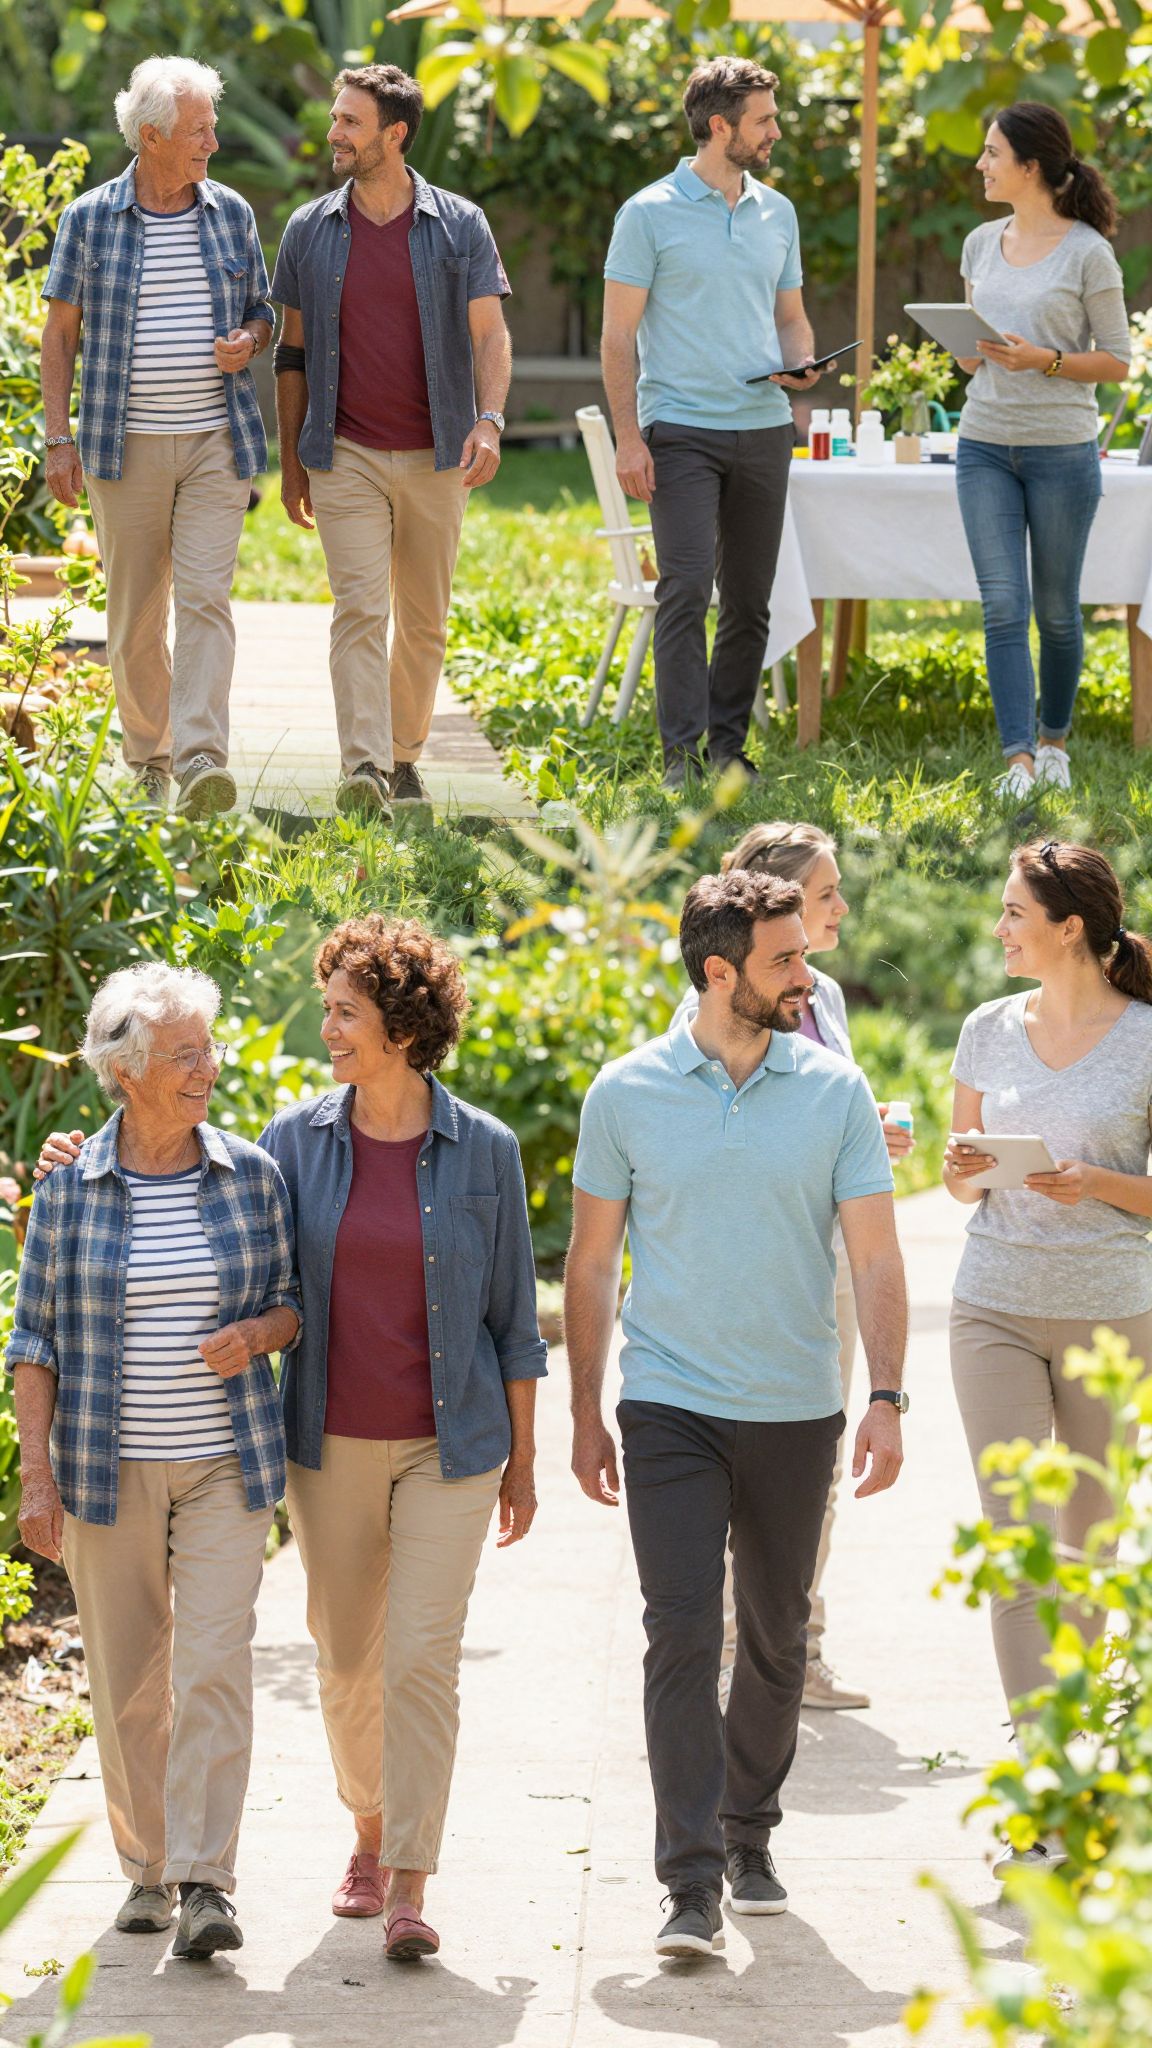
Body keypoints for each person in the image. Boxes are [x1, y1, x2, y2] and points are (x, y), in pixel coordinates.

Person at [37, 917, 547, 1967]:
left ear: (402, 1026)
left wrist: (528, 1461)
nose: (325, 1030)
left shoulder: (431, 1153)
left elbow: (482, 1319)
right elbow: (68, 1309)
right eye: (187, 1056)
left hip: (358, 1452)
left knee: (380, 1659)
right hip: (241, 1450)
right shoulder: (273, 1148)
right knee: (304, 1662)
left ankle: (344, 1876)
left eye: (343, 1013)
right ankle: (264, 1840)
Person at [566, 868, 908, 1958]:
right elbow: (590, 1259)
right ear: (720, 973)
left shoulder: (833, 1092)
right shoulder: (626, 1091)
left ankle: (749, 1825)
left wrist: (888, 1394)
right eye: (785, 959)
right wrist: (583, 1407)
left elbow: (877, 1252)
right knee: (679, 1629)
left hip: (795, 1404)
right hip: (669, 1400)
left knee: (771, 1637)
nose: (807, 975)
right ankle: (690, 1879)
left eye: (804, 954)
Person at [8, 965, 300, 1959]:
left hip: (224, 1460)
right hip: (103, 1465)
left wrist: (258, 1331)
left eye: (208, 1049)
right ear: (127, 1071)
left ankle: (207, 1877)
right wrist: (35, 1474)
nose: (209, 1068)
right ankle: (146, 1867)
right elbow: (34, 1341)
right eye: (188, 1054)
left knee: (214, 1661)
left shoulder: (250, 1175)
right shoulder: (68, 1193)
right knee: (131, 1675)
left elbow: (295, 1303)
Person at [945, 840, 1152, 1876]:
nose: (1000, 928)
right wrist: (965, 1170)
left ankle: (1085, 1766)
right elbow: (962, 1182)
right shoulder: (988, 1028)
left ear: (1069, 925)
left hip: (1116, 1320)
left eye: (1014, 911)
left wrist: (1098, 1185)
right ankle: (1039, 1785)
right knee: (1021, 1544)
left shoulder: (1149, 1040)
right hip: (993, 1308)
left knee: (1088, 1555)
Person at [674, 822, 915, 1711]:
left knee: (814, 1458)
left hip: (833, 1266)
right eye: (826, 894)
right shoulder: (706, 1012)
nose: (839, 908)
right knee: (742, 1462)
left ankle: (798, 1646)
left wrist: (869, 1132)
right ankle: (740, 1650)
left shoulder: (827, 1002)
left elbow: (823, 1110)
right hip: (752, 1269)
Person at [273, 65, 512, 821]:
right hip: (345, 452)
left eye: (350, 122)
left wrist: (490, 418)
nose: (334, 133)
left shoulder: (459, 224)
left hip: (438, 452)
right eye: (337, 118)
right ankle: (366, 767)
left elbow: (490, 334)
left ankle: (405, 755)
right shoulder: (309, 229)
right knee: (358, 610)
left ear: (394, 134)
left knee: (424, 619)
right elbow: (292, 352)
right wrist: (291, 462)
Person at [40, 57, 274, 818]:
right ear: (152, 136)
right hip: (121, 444)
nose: (213, 142)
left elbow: (263, 311)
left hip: (214, 440)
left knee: (207, 596)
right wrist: (58, 439)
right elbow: (59, 334)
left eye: (211, 127)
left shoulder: (230, 212)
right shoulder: (88, 218)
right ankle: (150, 757)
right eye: (200, 130)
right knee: (136, 614)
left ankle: (203, 757)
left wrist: (249, 336)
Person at [601, 56, 832, 791]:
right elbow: (616, 338)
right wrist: (628, 437)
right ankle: (680, 756)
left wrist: (804, 364)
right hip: (682, 428)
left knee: (749, 598)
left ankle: (728, 751)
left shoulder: (778, 212)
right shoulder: (647, 213)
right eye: (764, 119)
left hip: (764, 426)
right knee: (686, 585)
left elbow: (791, 320)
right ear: (720, 125)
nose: (776, 131)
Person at [954, 102, 1131, 800]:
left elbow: (1117, 362)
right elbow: (974, 360)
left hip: (1062, 450)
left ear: (1031, 166)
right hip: (983, 447)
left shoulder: (1089, 251)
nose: (982, 164)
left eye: (992, 153)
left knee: (1056, 612)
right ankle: (1019, 763)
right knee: (1003, 606)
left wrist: (1046, 361)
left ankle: (1055, 740)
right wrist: (969, 350)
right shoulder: (978, 243)